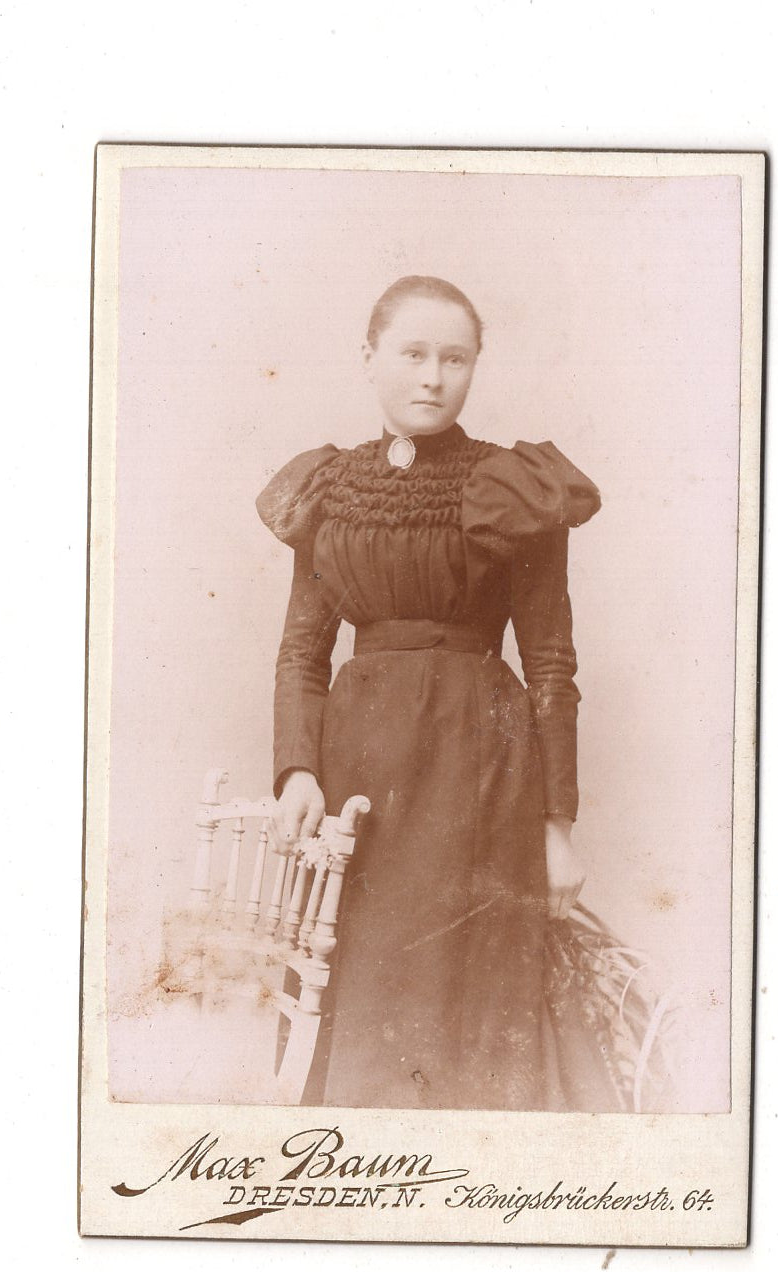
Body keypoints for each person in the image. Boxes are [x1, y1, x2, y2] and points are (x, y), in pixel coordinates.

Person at [256, 275, 601, 1110]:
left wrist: (556, 827)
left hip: (479, 775)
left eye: (455, 358)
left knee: (469, 1014)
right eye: (412, 354)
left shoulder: (511, 486)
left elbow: (550, 664)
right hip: (358, 778)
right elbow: (302, 652)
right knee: (356, 995)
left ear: (474, 365)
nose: (432, 377)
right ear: (369, 357)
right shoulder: (330, 488)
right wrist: (296, 770)